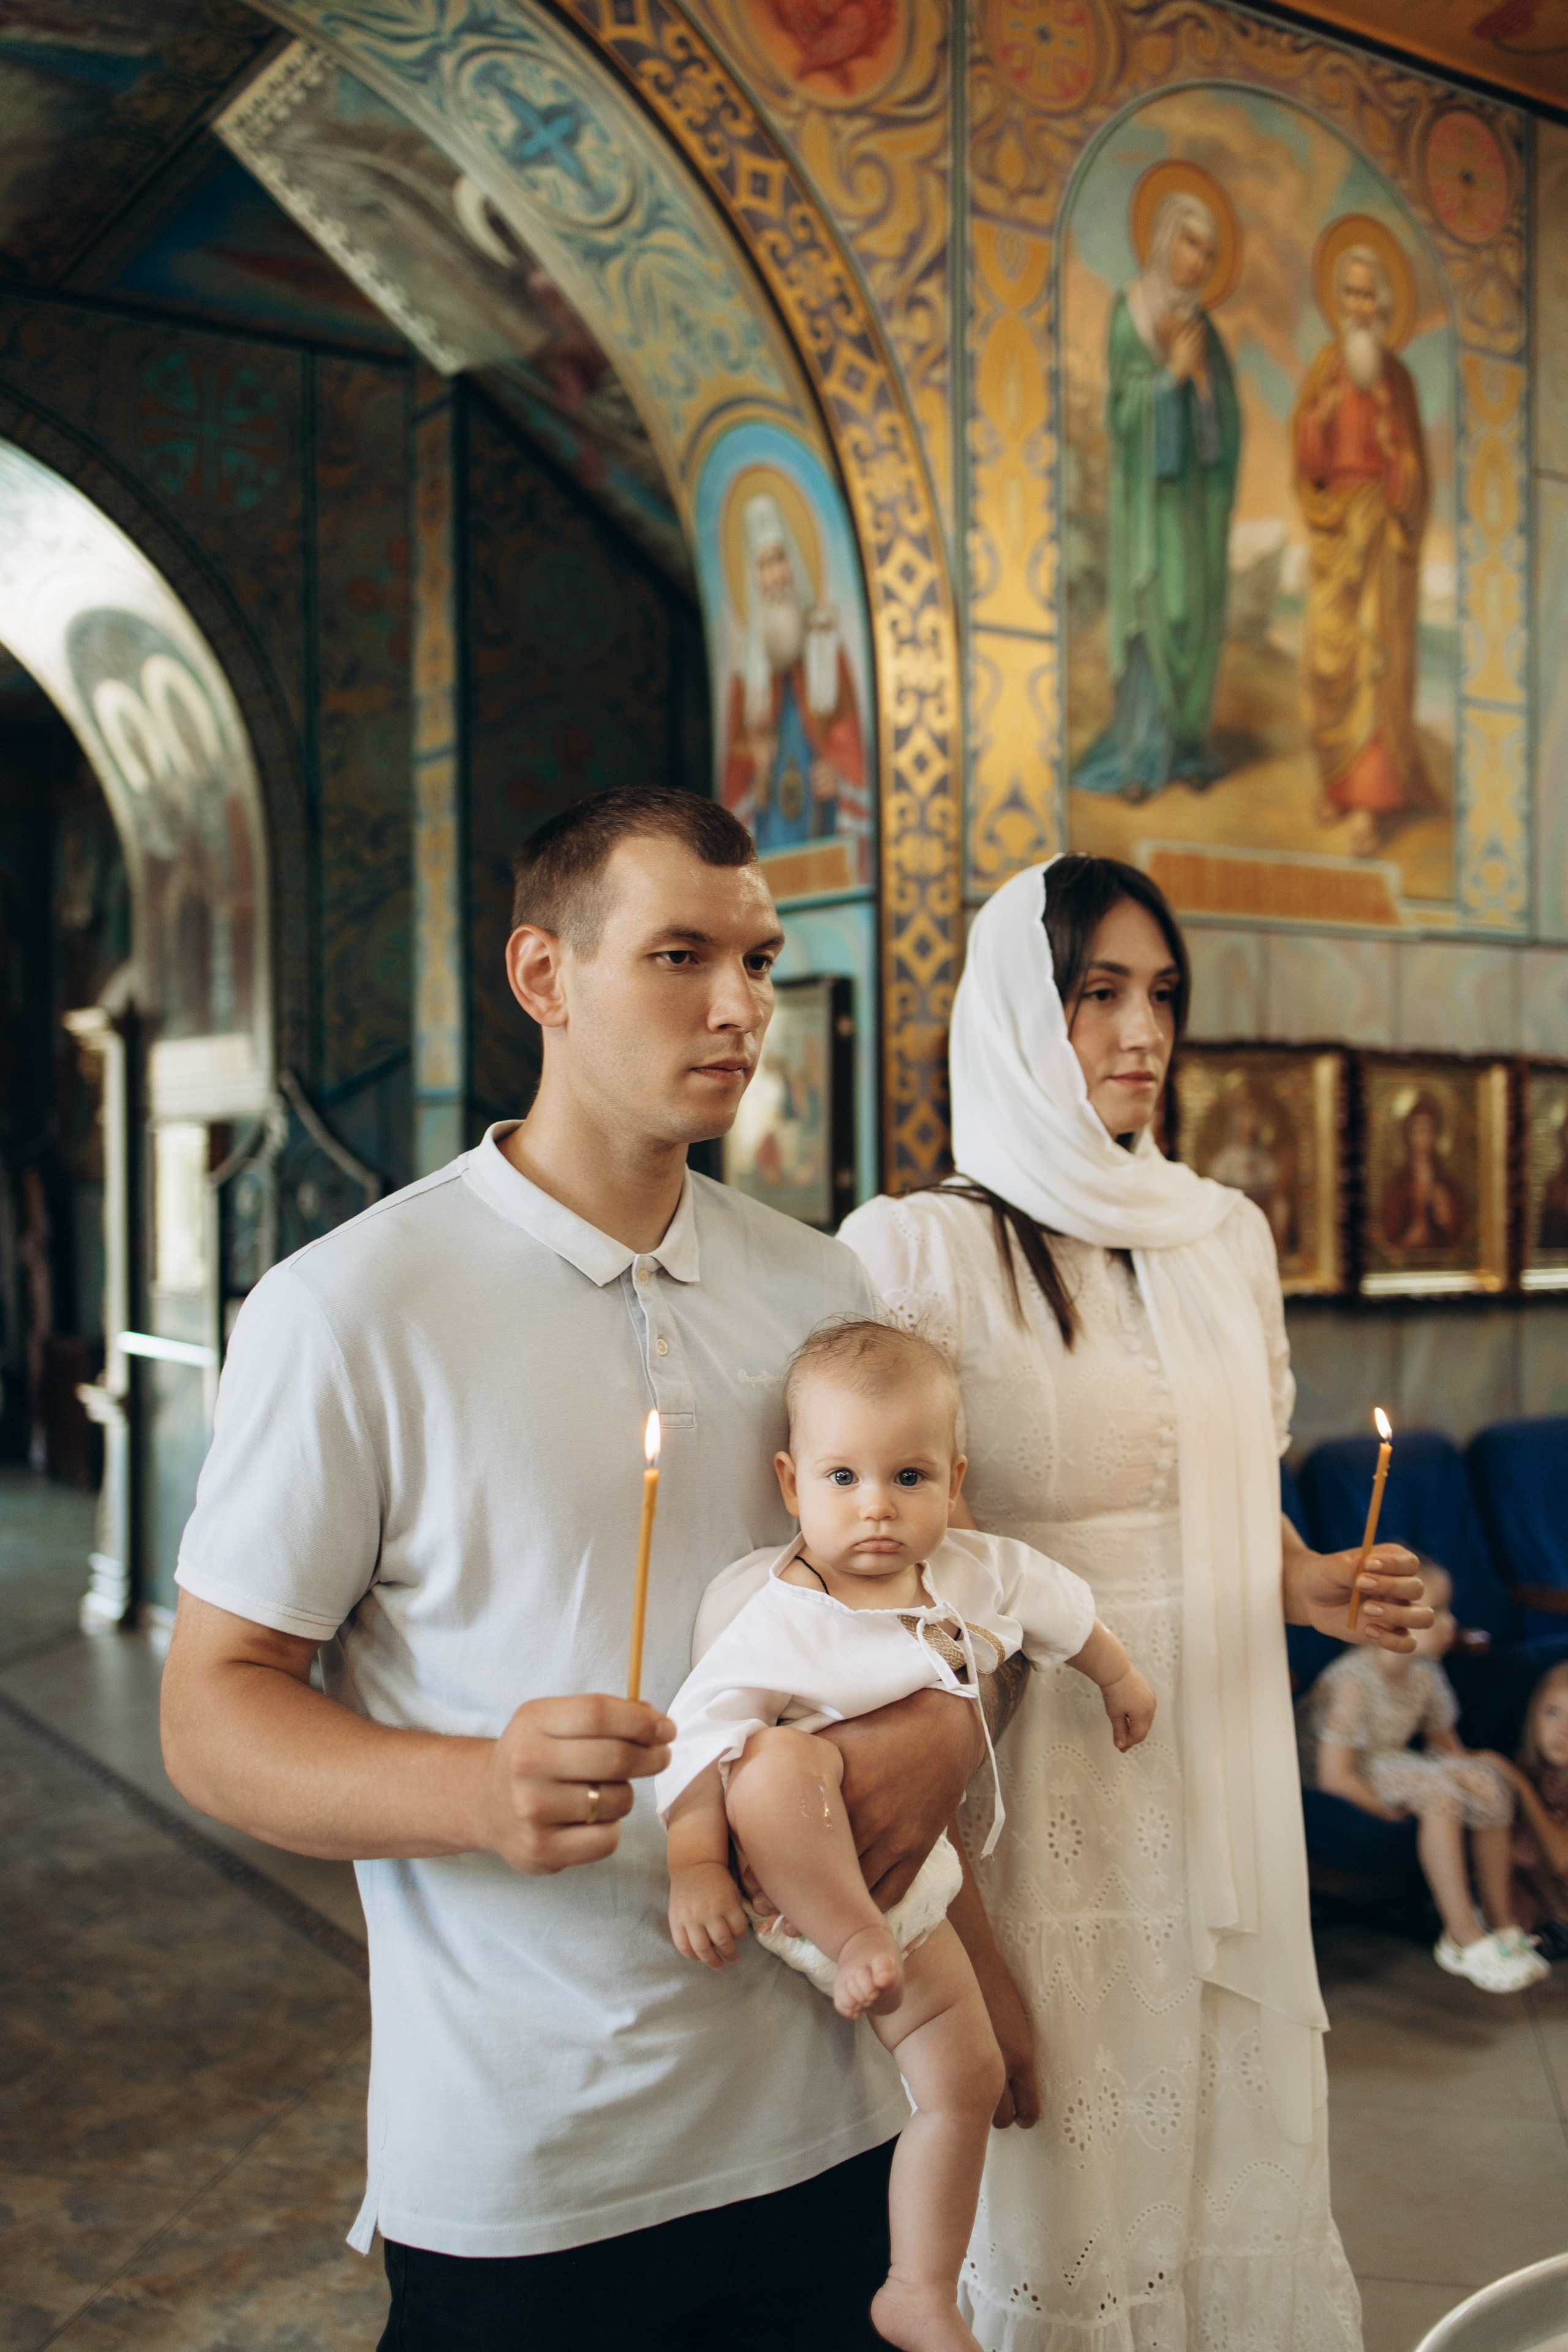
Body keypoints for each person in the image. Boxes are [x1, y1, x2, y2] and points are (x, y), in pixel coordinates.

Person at [159, 788, 993, 2352]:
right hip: (535, 2160)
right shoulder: (350, 1305)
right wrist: (474, 1788)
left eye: (755, 957)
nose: (738, 1004)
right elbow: (212, 1713)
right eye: (678, 954)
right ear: (542, 974)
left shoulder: (819, 1283)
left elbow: (905, 1591)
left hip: (831, 2105)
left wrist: (941, 1722)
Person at [839, 851, 1433, 2352]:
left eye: (1158, 994)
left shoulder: (1216, 1233)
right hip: (1043, 1781)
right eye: (1094, 990)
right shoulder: (919, 1249)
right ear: (1007, 1012)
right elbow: (874, 1569)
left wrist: (1315, 1580)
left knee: (1223, 2161)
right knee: (1065, 2162)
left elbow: (1225, 1501)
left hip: (1217, 1757)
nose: (1139, 1029)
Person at [659, 1319, 1156, 2352]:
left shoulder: (975, 1573)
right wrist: (694, 1865)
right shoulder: (780, 1610)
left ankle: (918, 2287)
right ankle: (852, 1944)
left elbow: (1061, 1609)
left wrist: (1119, 1677)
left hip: (907, 1878)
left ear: (953, 1478)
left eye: (909, 1476)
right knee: (777, 1762)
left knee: (963, 2077)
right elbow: (697, 1737)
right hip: (796, 1872)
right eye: (843, 1477)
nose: (876, 1504)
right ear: (792, 1484)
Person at [1297, 1562, 1548, 1993]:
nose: (1450, 1624)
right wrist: (1385, 1810)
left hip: (1388, 1759)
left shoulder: (1426, 1673)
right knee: (1437, 1793)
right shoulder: (1353, 1682)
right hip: (1342, 1771)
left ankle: (1500, 1922)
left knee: (1485, 1781)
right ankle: (1460, 1936)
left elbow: (1445, 1747)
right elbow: (1335, 1776)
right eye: (1438, 1611)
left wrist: (1480, 1772)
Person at [1073, 192, 1241, 802]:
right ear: (1166, 238)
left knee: (1189, 615)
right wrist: (1169, 378)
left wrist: (1197, 385)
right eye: (1189, 242)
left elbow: (1223, 432)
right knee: (1152, 611)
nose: (1196, 260)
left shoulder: (1204, 333)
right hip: (1146, 507)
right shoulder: (1131, 314)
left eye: (1208, 251)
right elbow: (1120, 415)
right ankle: (1141, 753)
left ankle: (1184, 747)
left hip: (1190, 509)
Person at [1293, 242, 1432, 859]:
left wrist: (1390, 447)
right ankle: (1335, 783)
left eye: (1368, 294)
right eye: (1348, 293)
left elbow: (1415, 473)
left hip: (1379, 526)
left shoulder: (1396, 381)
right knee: (1331, 659)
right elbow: (1308, 461)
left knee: (1373, 657)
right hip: (1333, 526)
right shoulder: (1326, 367)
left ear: (1384, 304)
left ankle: (1369, 805)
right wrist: (1317, 422)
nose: (1358, 305)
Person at [720, 491, 868, 864]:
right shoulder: (745, 676)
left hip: (825, 824)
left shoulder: (828, 653)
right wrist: (759, 765)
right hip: (770, 836)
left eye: (781, 559)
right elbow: (735, 779)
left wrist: (838, 774)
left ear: (796, 562)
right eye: (765, 566)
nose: (776, 576)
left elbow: (852, 747)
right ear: (754, 578)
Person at [1480, 1660, 1568, 1963]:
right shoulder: (1535, 1768)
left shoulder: (1524, 1777)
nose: (1563, 1731)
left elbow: (1560, 1861)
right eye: (1552, 1713)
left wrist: (1519, 1783)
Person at [1379, 1090, 1463, 1257]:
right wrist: (1409, 1238)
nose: (1423, 1136)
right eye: (1418, 1129)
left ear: (1435, 1134)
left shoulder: (1446, 1182)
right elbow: (1389, 1234)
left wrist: (1446, 1215)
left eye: (1428, 1129)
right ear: (1409, 1134)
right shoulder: (1398, 1183)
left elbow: (1459, 1233)